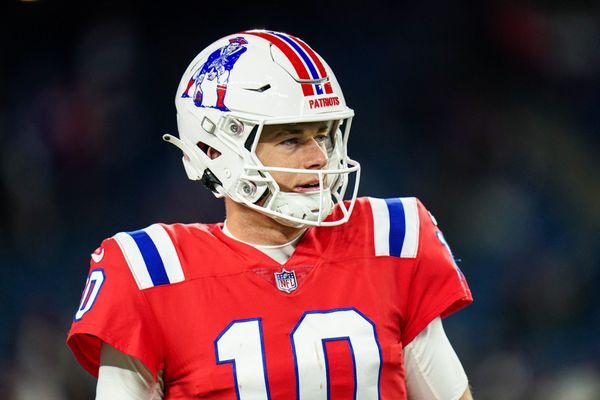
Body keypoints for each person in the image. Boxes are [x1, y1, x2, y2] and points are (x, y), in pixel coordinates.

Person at [67, 29, 474, 400]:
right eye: (291, 139)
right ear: (214, 151)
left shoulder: (390, 238)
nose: (318, 158)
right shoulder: (150, 271)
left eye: (325, 134)